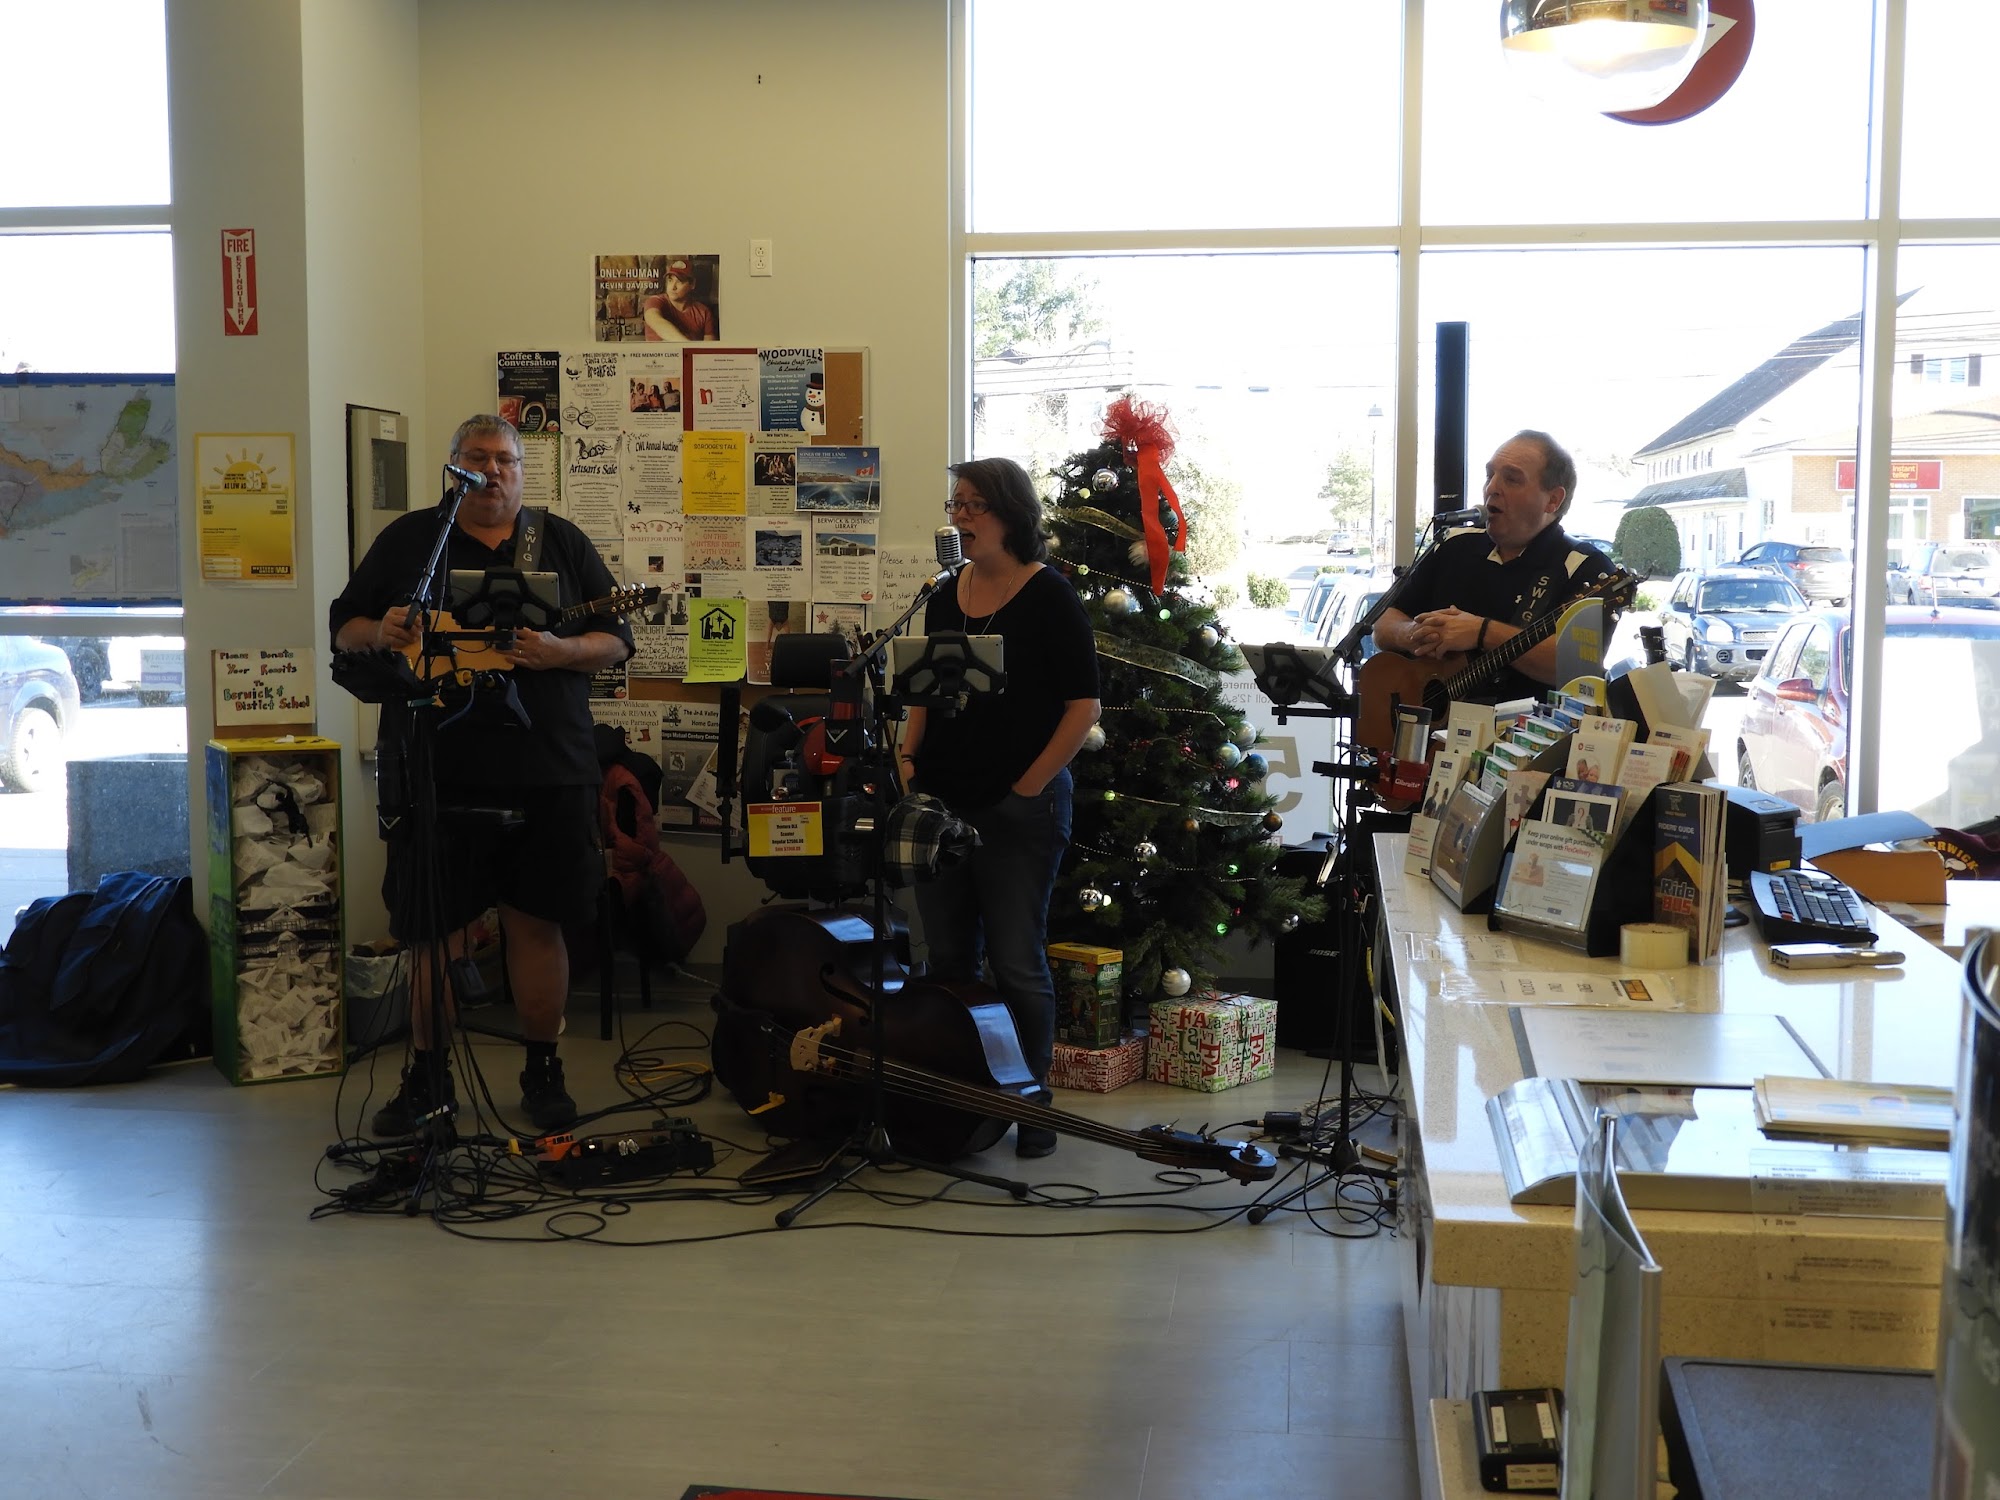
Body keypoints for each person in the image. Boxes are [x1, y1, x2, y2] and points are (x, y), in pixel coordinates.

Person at [329, 414, 635, 1136]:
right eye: (476, 458)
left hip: (547, 766)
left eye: (505, 459)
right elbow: (345, 627)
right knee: (433, 933)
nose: (491, 471)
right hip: (436, 766)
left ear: (522, 471)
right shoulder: (414, 540)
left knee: (538, 923)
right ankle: (427, 1078)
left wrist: (559, 652)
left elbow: (617, 641)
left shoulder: (561, 541)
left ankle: (543, 1072)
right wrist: (384, 630)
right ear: (453, 466)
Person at [900, 458, 1101, 1159]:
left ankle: (1031, 1103)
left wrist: (1026, 790)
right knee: (950, 958)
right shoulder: (944, 593)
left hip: (1021, 808)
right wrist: (907, 759)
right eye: (955, 504)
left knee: (1017, 963)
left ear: (1011, 514)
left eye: (973, 505)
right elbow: (923, 690)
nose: (959, 517)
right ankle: (962, 1095)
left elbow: (1083, 707)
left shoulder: (1050, 597)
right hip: (942, 800)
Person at [1371, 430, 1615, 705]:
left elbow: (1577, 668)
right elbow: (1383, 623)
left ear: (1553, 500)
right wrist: (1412, 634)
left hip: (1522, 730)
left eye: (1511, 479)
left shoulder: (1586, 568)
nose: (1491, 488)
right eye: (1490, 475)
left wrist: (1481, 632)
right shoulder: (1453, 546)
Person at [642, 257, 717, 342]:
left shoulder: (703, 312)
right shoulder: (655, 301)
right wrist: (687, 346)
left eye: (679, 281)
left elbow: (709, 346)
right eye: (670, 280)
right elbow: (655, 321)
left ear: (692, 284)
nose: (673, 287)